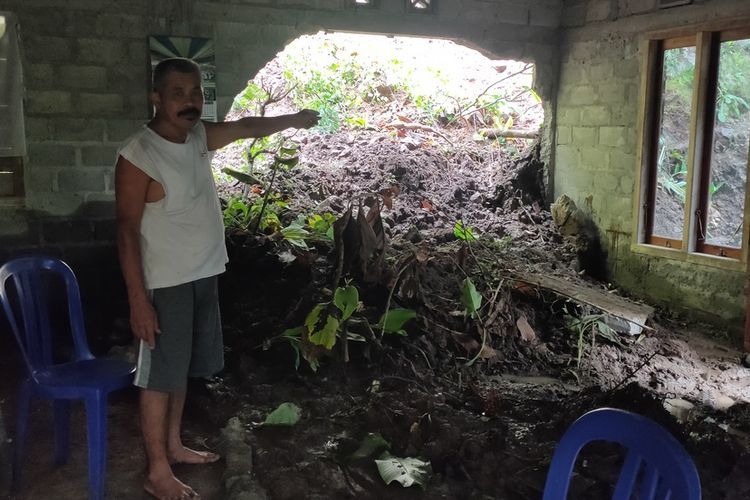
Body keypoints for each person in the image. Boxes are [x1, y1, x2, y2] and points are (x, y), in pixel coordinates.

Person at [115, 57, 319, 500]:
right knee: (157, 376)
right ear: (156, 97)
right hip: (164, 283)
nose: (189, 102)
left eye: (195, 93)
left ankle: (173, 446)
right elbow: (126, 230)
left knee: (180, 370)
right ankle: (156, 471)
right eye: (177, 94)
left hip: (203, 275)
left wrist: (296, 120)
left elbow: (246, 126)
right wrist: (138, 300)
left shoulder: (197, 137)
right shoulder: (138, 155)